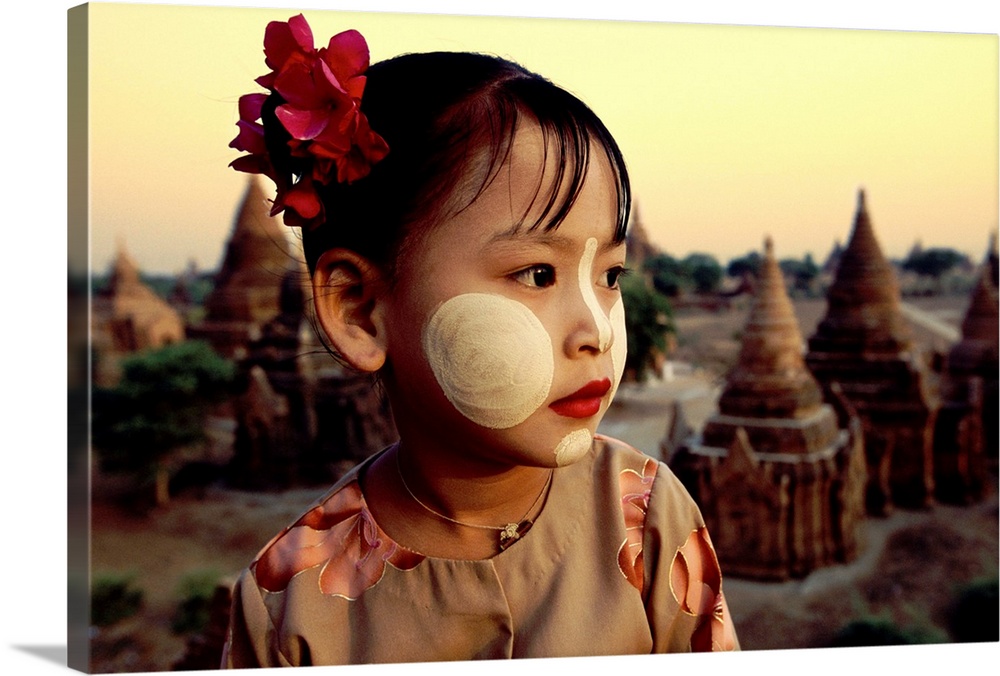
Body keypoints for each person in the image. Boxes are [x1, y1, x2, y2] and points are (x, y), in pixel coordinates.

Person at [221, 14, 738, 667]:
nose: (597, 329)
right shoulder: (285, 608)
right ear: (359, 311)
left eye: (610, 276)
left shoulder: (647, 511)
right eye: (537, 274)